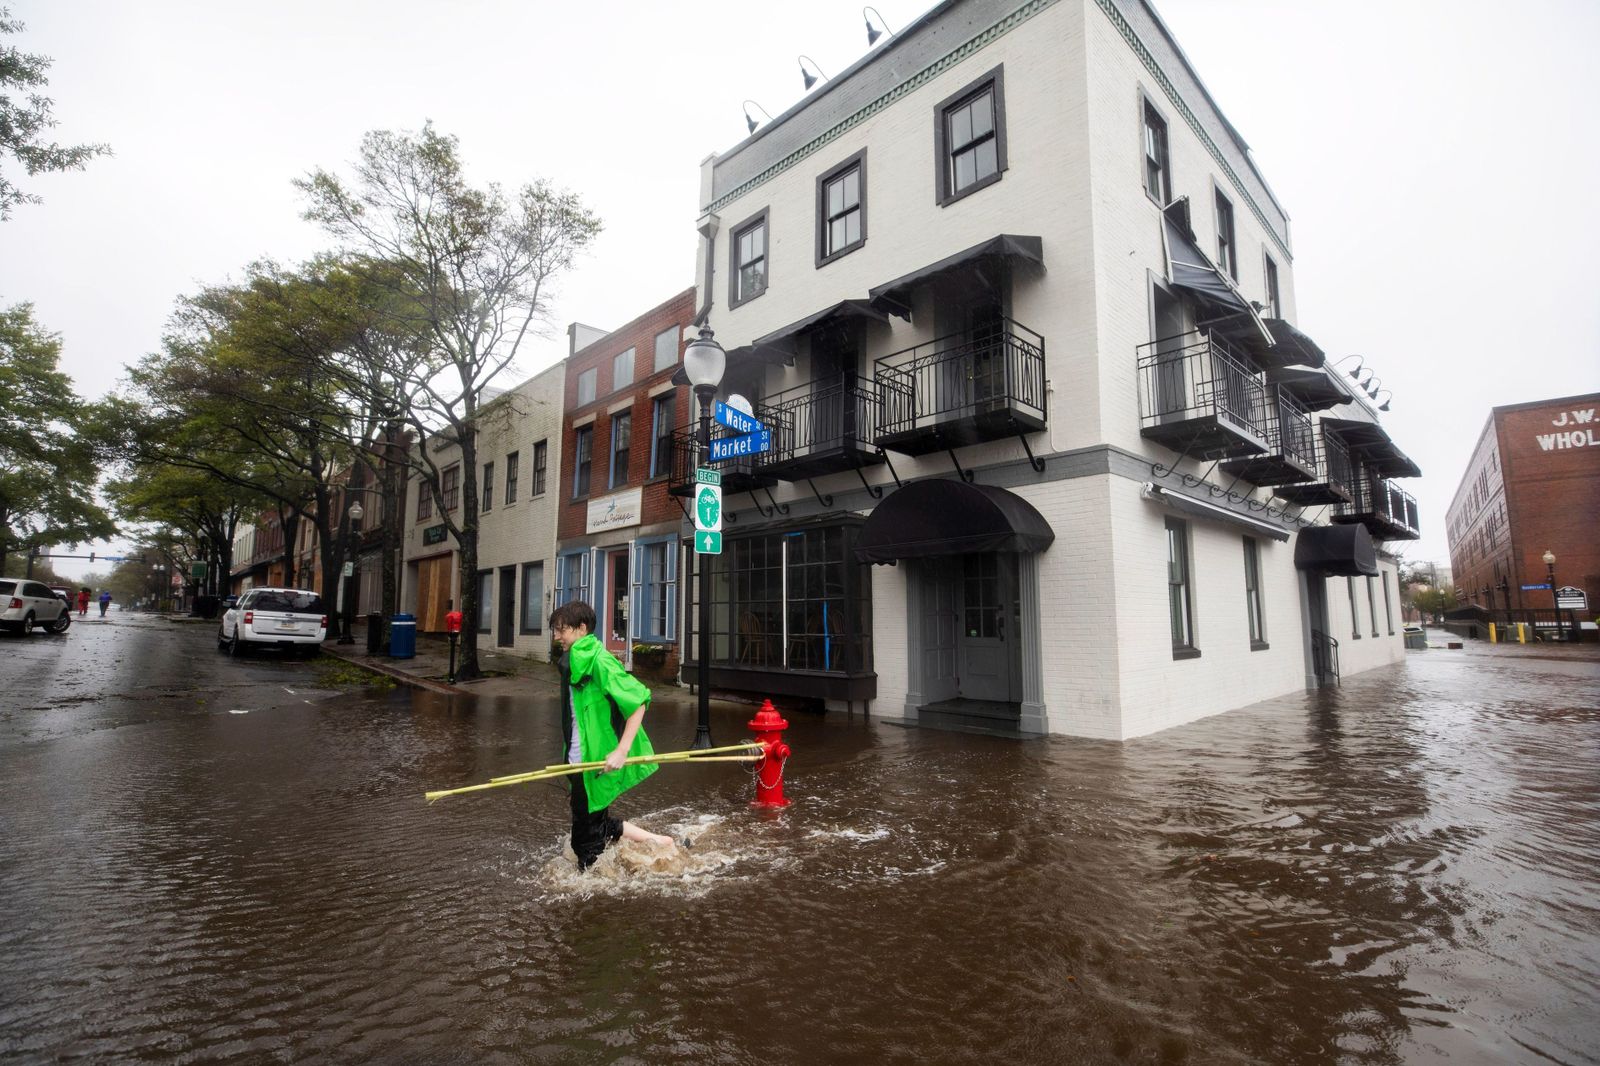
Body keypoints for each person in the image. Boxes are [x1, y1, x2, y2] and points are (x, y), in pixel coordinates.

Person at [549, 600, 676, 871]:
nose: (556, 636)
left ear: (582, 628)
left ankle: (593, 890)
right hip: (576, 761)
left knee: (584, 843)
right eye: (555, 630)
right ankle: (659, 842)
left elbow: (639, 700)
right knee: (595, 820)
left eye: (562, 630)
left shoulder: (600, 661)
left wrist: (622, 750)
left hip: (596, 763)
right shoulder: (573, 662)